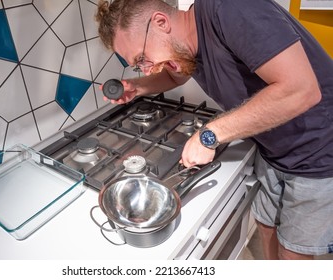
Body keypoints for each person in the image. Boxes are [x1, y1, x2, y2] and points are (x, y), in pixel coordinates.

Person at [95, 0, 333, 260]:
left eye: (142, 59)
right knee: (266, 225)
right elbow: (178, 75)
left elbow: (301, 90)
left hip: (319, 149)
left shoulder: (233, 9)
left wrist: (210, 135)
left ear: (161, 23)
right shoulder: (187, 44)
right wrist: (137, 87)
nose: (148, 68)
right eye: (139, 65)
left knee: (293, 253)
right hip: (274, 147)